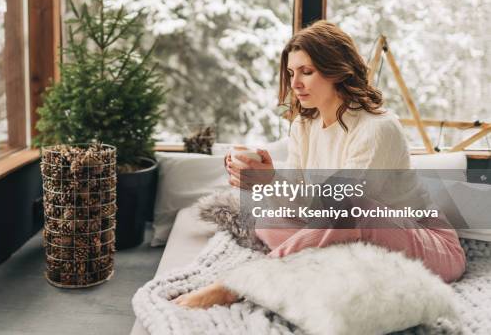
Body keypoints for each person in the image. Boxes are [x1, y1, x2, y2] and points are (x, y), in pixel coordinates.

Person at [173, 20, 466, 309]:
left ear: (336, 71)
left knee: (348, 207)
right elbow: (304, 203)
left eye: (307, 72)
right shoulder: (304, 123)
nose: (295, 84)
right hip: (355, 239)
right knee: (264, 217)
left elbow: (342, 208)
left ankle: (237, 286)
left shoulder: (377, 128)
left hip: (423, 241)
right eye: (291, 73)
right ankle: (333, 265)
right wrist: (263, 180)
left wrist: (274, 182)